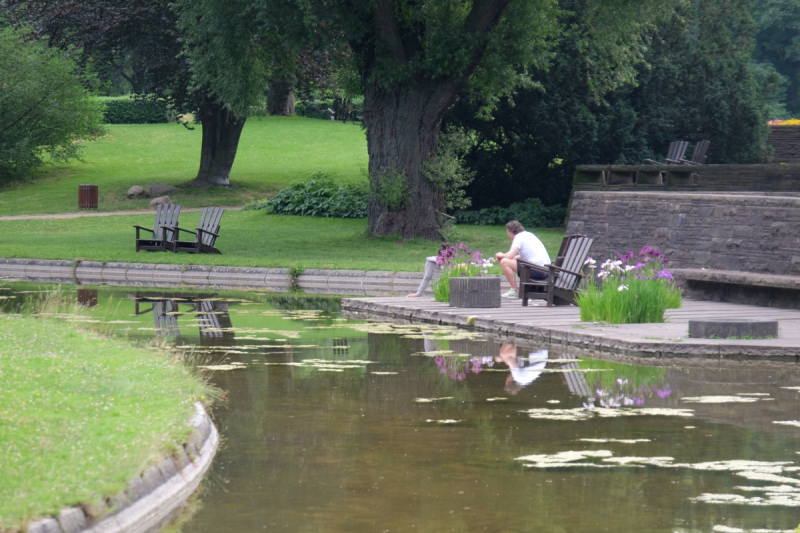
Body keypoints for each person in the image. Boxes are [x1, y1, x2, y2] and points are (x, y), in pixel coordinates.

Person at [495, 220, 551, 298]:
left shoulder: (518, 237)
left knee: (504, 262)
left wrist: (501, 255)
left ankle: (515, 290)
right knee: (506, 260)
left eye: (508, 232)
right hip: (545, 270)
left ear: (511, 231)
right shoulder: (529, 235)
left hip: (537, 270)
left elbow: (510, 255)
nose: (508, 235)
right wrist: (506, 257)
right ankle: (515, 290)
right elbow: (522, 256)